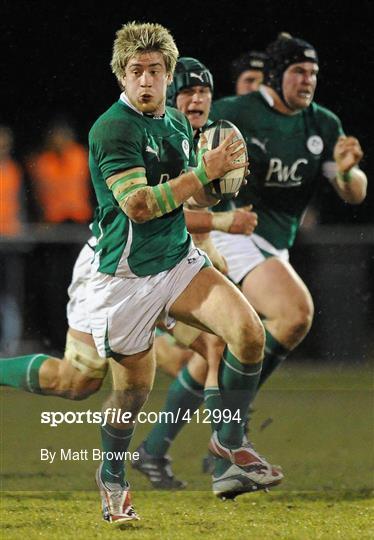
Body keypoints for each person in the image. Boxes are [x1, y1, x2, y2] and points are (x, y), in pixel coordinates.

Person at [86, 21, 283, 523]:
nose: (146, 80)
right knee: (131, 393)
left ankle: (228, 442)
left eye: (155, 70)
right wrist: (205, 172)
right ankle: (111, 475)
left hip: (177, 261)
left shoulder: (175, 124)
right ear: (121, 77)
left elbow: (194, 194)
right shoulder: (113, 128)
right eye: (136, 71)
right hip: (127, 277)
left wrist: (222, 181)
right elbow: (139, 205)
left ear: (168, 75)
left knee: (248, 334)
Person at [27, 120, 92, 224]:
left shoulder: (82, 156)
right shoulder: (42, 162)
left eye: (63, 136)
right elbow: (36, 194)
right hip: (52, 219)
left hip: (80, 217)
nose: (59, 141)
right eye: (56, 136)